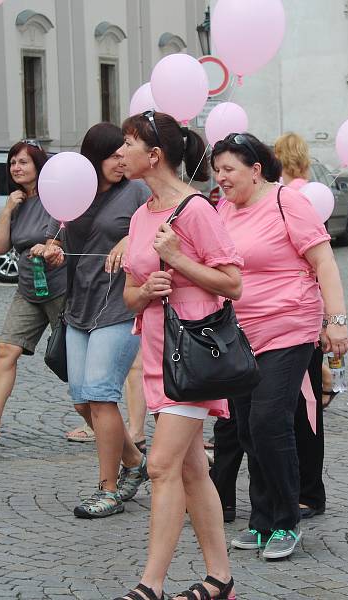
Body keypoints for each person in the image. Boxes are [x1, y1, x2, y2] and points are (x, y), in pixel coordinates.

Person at [114, 111, 241, 600]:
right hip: (155, 354)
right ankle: (219, 579)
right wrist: (148, 289)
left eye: (128, 144)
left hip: (196, 355)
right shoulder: (141, 214)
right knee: (191, 469)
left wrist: (181, 261)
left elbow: (234, 283)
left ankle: (151, 585)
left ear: (154, 155)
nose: (119, 154)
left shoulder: (196, 211)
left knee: (161, 466)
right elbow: (129, 294)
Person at [213, 132, 348, 559]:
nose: (220, 178)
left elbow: (324, 261)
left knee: (272, 420)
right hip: (239, 334)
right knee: (249, 426)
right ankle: (262, 519)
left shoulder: (287, 202)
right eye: (216, 170)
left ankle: (287, 521)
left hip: (289, 328)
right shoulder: (222, 209)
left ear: (255, 171)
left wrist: (336, 321)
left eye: (228, 170)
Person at [43, 122, 149, 517]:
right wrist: (51, 248)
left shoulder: (137, 191)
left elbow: (162, 225)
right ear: (94, 158)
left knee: (102, 396)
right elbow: (59, 232)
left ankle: (108, 489)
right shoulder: (77, 188)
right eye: (114, 154)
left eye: (125, 151)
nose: (122, 159)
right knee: (82, 401)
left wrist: (129, 238)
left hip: (120, 305)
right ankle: (137, 462)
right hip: (79, 305)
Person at [274, 131, 333, 517]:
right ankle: (305, 487)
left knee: (305, 407)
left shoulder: (292, 198)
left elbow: (318, 262)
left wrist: (328, 319)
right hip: (296, 314)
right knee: (302, 405)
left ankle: (310, 490)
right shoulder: (297, 192)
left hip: (300, 314)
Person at [0, 140, 65, 446]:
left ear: (39, 165)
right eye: (13, 163)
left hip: (59, 287)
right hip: (27, 288)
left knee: (68, 357)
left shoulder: (56, 198)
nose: (16, 168)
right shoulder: (18, 202)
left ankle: (95, 416)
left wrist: (49, 247)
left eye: (23, 162)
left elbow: (63, 236)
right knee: (5, 351)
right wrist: (8, 209)